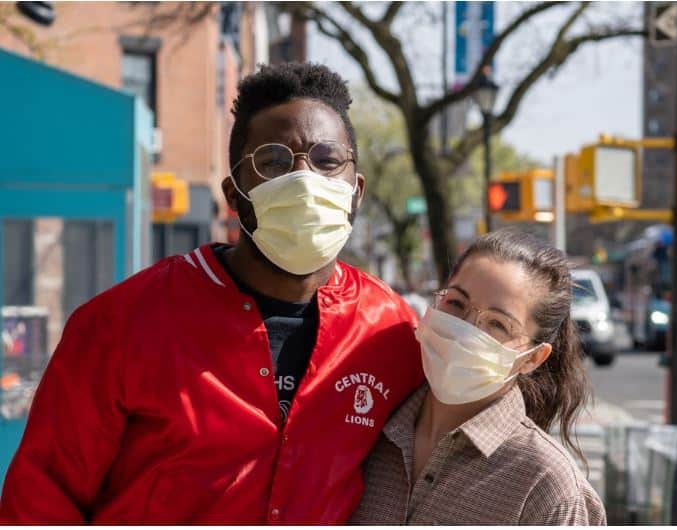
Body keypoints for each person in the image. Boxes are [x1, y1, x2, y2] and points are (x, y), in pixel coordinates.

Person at [0, 62, 424, 524]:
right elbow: (40, 499)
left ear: (356, 191)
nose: (305, 180)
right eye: (274, 162)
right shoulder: (122, 324)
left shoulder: (393, 331)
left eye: (327, 160)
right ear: (234, 194)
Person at [350, 227, 606, 525]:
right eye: (456, 303)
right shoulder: (365, 430)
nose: (466, 331)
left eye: (498, 324)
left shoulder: (547, 488)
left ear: (533, 358)